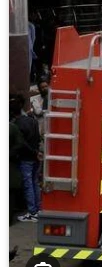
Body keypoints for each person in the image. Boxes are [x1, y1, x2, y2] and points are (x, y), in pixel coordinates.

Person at [14, 94, 41, 223]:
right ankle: (38, 209)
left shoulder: (18, 123)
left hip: (26, 158)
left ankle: (32, 212)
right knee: (34, 183)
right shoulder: (32, 120)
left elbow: (21, 143)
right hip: (35, 157)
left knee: (28, 184)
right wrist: (37, 152)